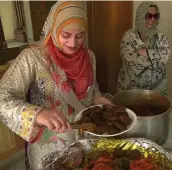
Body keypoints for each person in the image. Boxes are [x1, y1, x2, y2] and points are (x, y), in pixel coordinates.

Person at [0, 1, 112, 169]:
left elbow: (92, 85)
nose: (73, 44)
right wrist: (37, 114)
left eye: (80, 36)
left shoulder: (89, 56)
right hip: (49, 150)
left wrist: (97, 97)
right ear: (54, 28)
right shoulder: (33, 58)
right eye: (65, 35)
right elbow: (3, 96)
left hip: (86, 142)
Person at [116, 1, 171, 95]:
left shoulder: (161, 37)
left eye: (156, 16)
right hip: (130, 89)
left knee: (157, 109)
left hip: (156, 90)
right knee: (127, 110)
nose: (153, 19)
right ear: (140, 16)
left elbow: (166, 55)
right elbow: (130, 60)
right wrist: (156, 60)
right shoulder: (128, 36)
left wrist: (145, 52)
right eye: (149, 16)